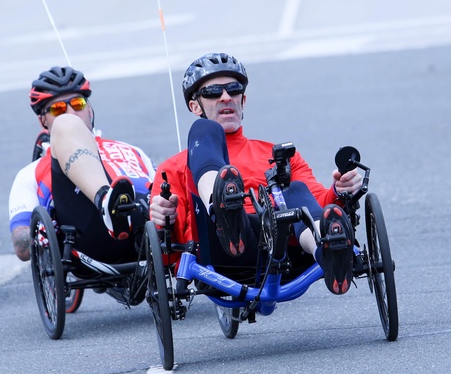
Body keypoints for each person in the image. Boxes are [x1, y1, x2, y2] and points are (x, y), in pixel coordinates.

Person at [147, 53, 363, 295]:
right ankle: (221, 209)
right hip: (219, 250)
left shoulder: (278, 154)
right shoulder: (173, 168)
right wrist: (163, 217)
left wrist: (339, 190)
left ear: (243, 100)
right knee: (203, 131)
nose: (226, 97)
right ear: (195, 105)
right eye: (213, 92)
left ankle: (326, 252)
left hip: (285, 243)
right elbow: (168, 251)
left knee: (297, 190)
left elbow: (317, 203)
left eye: (233, 89)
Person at [8, 66, 156, 263]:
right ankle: (106, 201)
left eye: (78, 103)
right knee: (65, 125)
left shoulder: (133, 150)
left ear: (89, 108)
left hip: (150, 224)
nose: (70, 112)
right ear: (43, 120)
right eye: (58, 108)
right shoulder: (30, 173)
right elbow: (21, 247)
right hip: (89, 232)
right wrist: (38, 236)